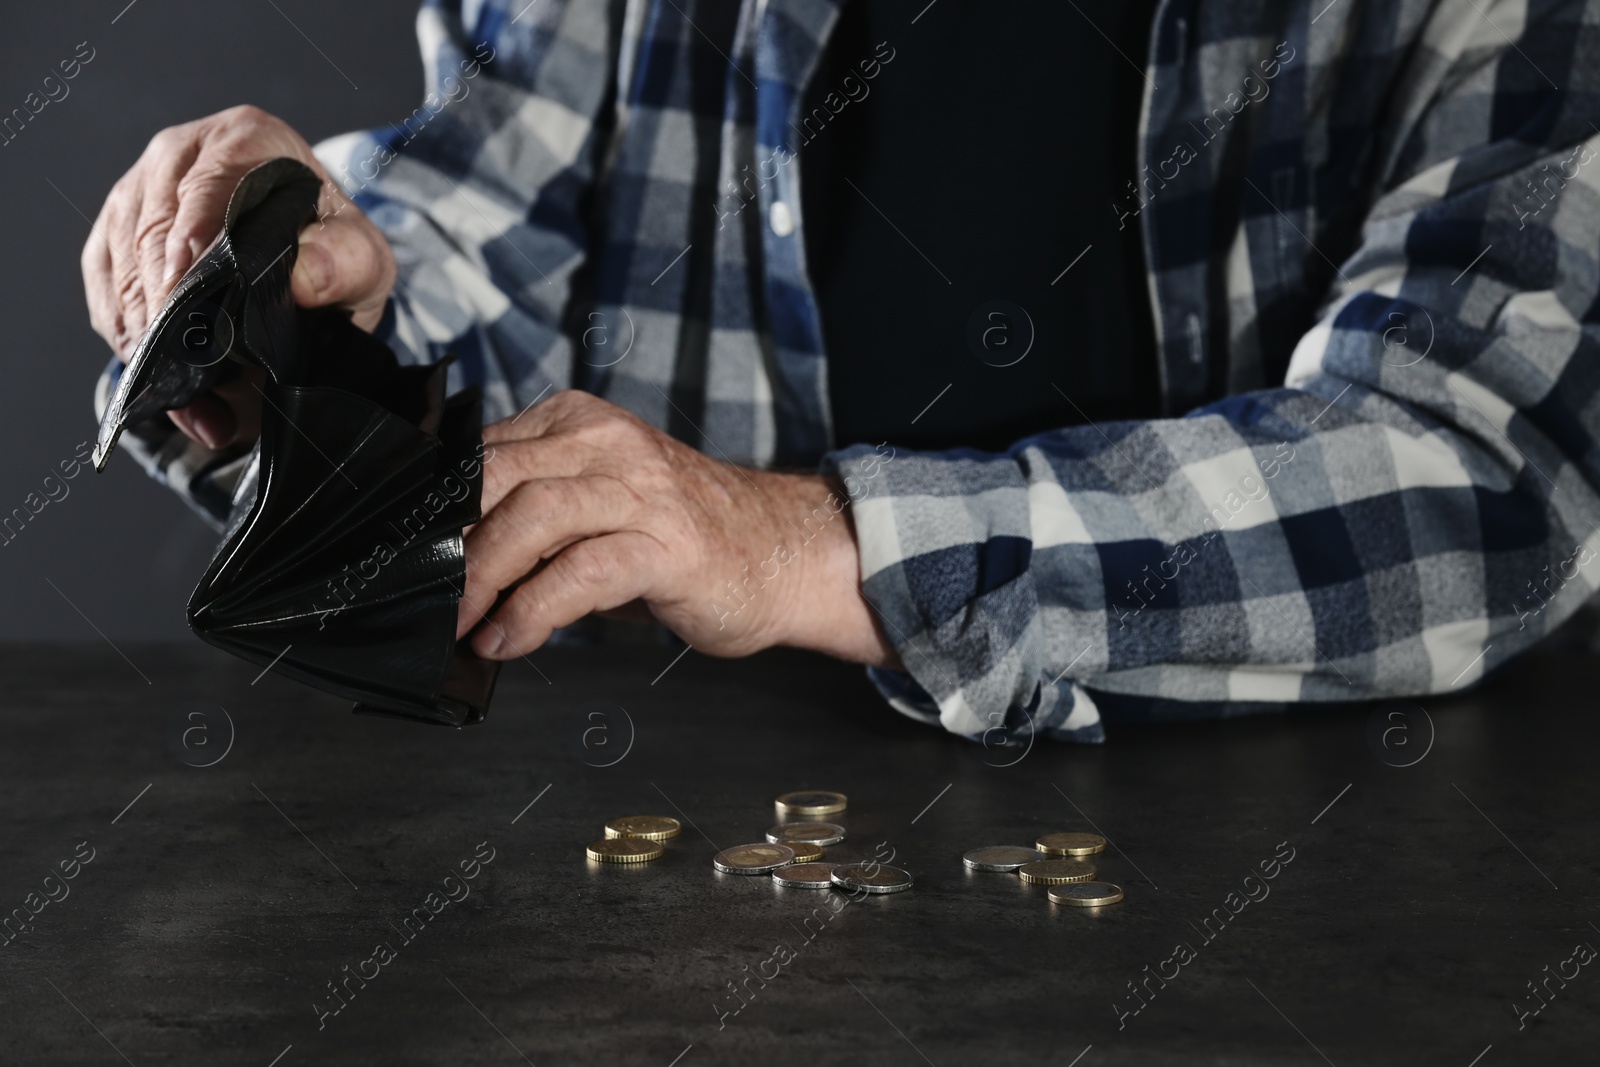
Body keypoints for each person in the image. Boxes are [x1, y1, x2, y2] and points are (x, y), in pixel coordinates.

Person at [83, 0, 1600, 745]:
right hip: (676, 855)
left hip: (1318, 879)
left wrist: (814, 543)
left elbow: (1487, 472)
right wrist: (312, 299)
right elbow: (489, 203)